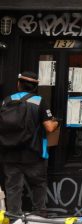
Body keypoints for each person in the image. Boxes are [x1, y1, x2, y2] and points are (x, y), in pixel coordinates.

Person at [0, 72, 57, 215]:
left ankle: (14, 221)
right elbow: (49, 128)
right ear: (35, 87)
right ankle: (39, 219)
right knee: (38, 186)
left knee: (13, 188)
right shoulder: (39, 101)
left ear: (18, 84)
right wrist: (56, 122)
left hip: (10, 153)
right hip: (34, 154)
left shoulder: (6, 101)